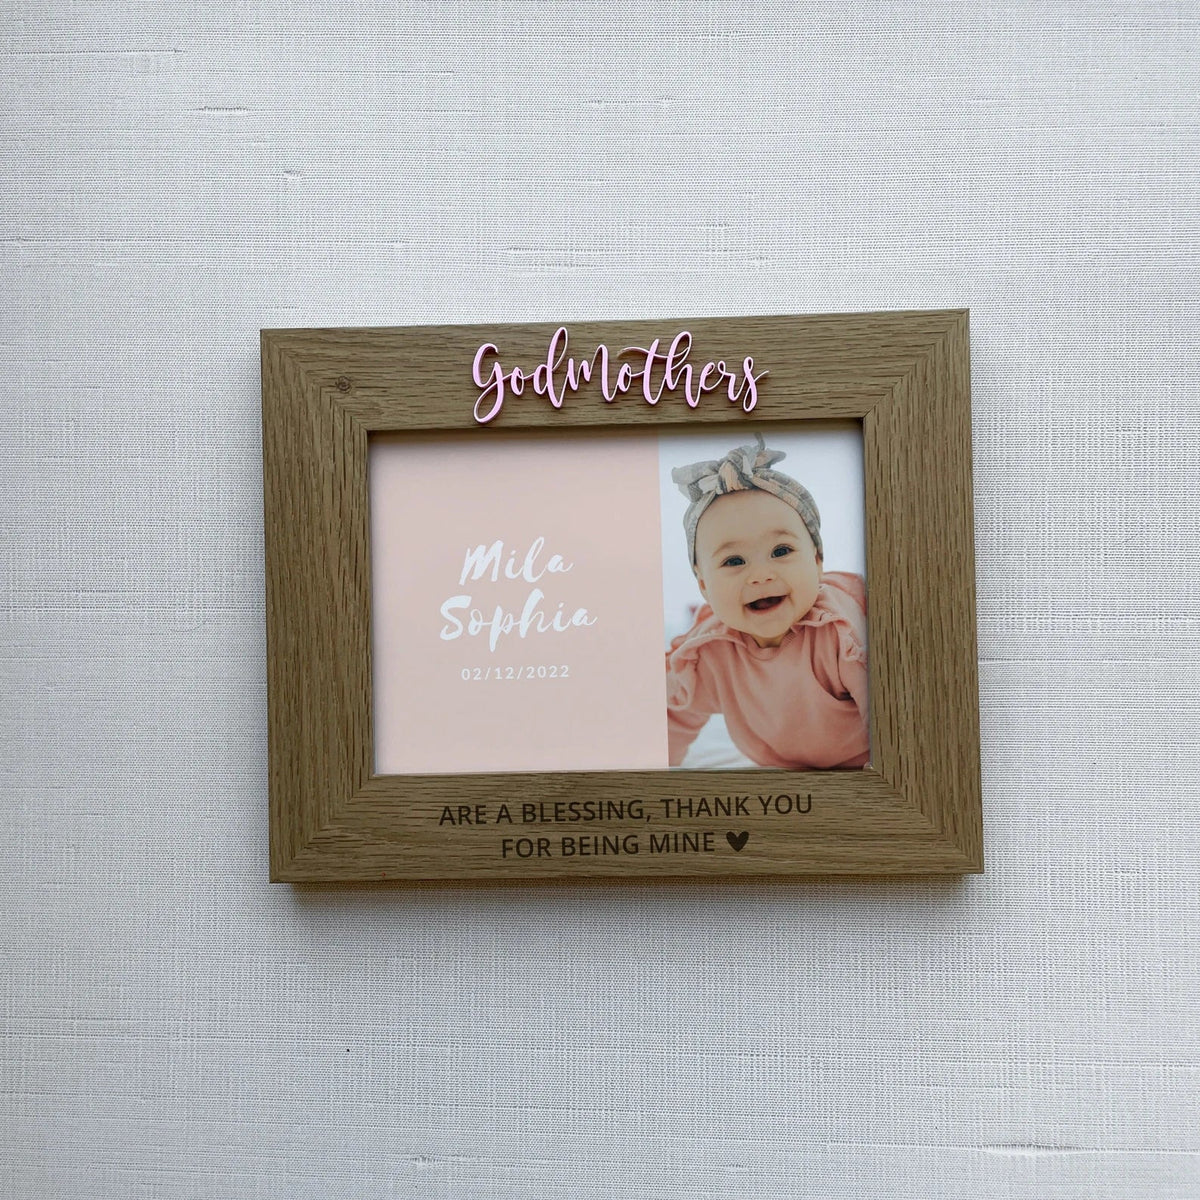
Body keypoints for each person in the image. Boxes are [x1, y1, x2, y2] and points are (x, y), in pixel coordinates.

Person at [666, 435, 869, 769]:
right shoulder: (710, 652)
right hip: (782, 777)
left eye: (781, 551)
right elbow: (672, 721)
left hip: (865, 766)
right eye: (734, 561)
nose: (760, 575)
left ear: (817, 561)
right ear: (703, 586)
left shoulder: (842, 633)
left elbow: (891, 720)